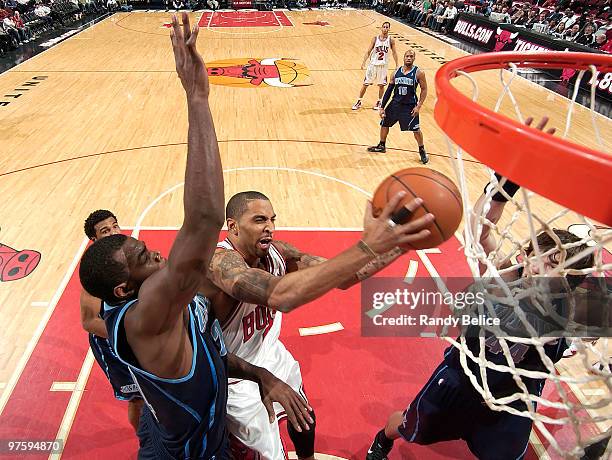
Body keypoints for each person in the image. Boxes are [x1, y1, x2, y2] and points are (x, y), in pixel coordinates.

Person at [78, 14, 311, 459]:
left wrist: (261, 375)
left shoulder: (171, 305)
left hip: (202, 430)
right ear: (126, 288)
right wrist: (197, 96)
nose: (160, 254)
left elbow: (214, 350)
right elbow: (204, 219)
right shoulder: (147, 316)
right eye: (146, 257)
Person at [365, 117, 597, 460]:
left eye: (556, 267)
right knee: (410, 429)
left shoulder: (578, 310)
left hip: (515, 398)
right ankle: (382, 439)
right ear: (527, 254)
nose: (541, 269)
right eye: (542, 258)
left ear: (572, 281)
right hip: (462, 377)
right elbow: (482, 230)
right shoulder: (504, 276)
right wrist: (505, 184)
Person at [207, 191, 435, 459]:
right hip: (232, 373)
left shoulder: (278, 252)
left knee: (304, 418)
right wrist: (367, 245)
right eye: (259, 220)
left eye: (272, 219)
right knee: (266, 454)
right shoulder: (221, 263)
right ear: (232, 226)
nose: (269, 227)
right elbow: (280, 296)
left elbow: (349, 274)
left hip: (270, 355)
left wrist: (400, 242)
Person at [81, 210, 144, 432]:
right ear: (94, 239)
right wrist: (128, 335)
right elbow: (89, 321)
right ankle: (144, 441)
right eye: (105, 231)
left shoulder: (128, 250)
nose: (114, 232)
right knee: (137, 398)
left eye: (115, 226)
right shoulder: (96, 269)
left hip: (132, 330)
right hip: (110, 341)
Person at [367, 49, 429, 164]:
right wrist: (382, 107)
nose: (409, 58)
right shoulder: (396, 72)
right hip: (395, 104)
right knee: (384, 123)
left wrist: (419, 106)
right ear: (404, 57)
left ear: (414, 58)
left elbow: (424, 89)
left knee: (416, 130)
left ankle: (422, 150)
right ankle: (382, 145)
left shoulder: (419, 73)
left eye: (411, 56)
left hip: (409, 106)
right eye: (407, 56)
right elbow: (389, 90)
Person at [352, 22, 399, 111]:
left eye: (387, 27)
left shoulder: (391, 40)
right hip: (373, 65)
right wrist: (363, 62)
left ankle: (379, 101)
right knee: (365, 84)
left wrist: (397, 65)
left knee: (381, 85)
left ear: (389, 29)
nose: (385, 28)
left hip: (383, 66)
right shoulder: (375, 39)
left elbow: (394, 53)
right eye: (384, 27)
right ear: (381, 28)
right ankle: (359, 101)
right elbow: (368, 51)